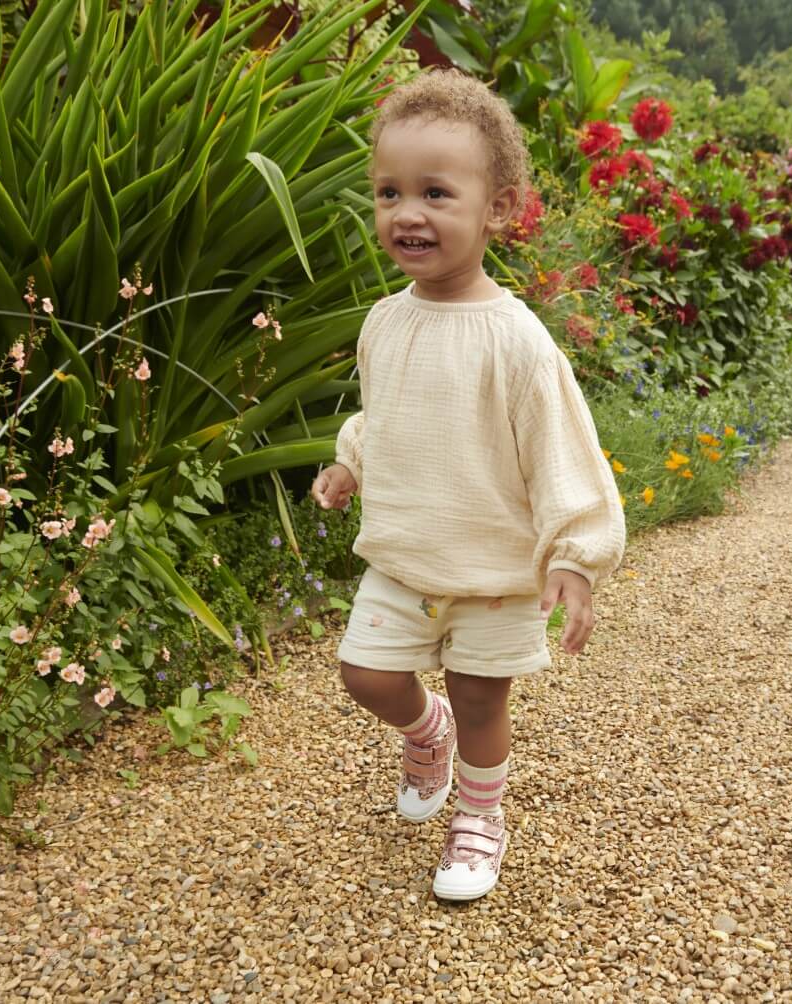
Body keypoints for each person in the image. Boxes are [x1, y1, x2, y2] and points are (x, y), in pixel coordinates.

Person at [310, 70, 626, 901]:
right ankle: (426, 731)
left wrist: (576, 554)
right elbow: (387, 416)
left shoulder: (516, 340)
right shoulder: (385, 321)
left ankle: (481, 818)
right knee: (365, 676)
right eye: (389, 192)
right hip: (405, 558)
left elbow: (564, 450)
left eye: (435, 193)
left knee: (484, 701)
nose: (407, 213)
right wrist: (352, 464)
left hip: (491, 573)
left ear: (499, 208)